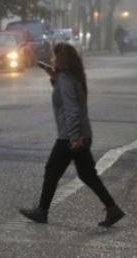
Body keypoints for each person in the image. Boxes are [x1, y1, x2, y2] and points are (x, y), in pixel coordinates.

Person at [18, 42, 125, 227]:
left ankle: (42, 211)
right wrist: (54, 79)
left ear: (61, 59)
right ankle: (113, 209)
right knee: (87, 175)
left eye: (54, 57)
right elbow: (66, 98)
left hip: (70, 137)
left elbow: (71, 109)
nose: (52, 59)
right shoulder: (73, 77)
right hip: (81, 134)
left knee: (52, 171)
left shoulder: (66, 80)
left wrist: (74, 137)